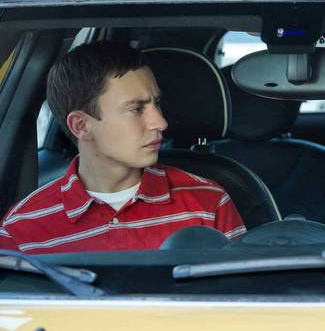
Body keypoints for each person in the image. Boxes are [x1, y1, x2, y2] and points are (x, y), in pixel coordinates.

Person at [0, 41, 246, 254]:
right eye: (136, 109)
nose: (161, 122)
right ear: (81, 126)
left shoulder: (208, 202)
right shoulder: (21, 230)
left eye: (157, 103)